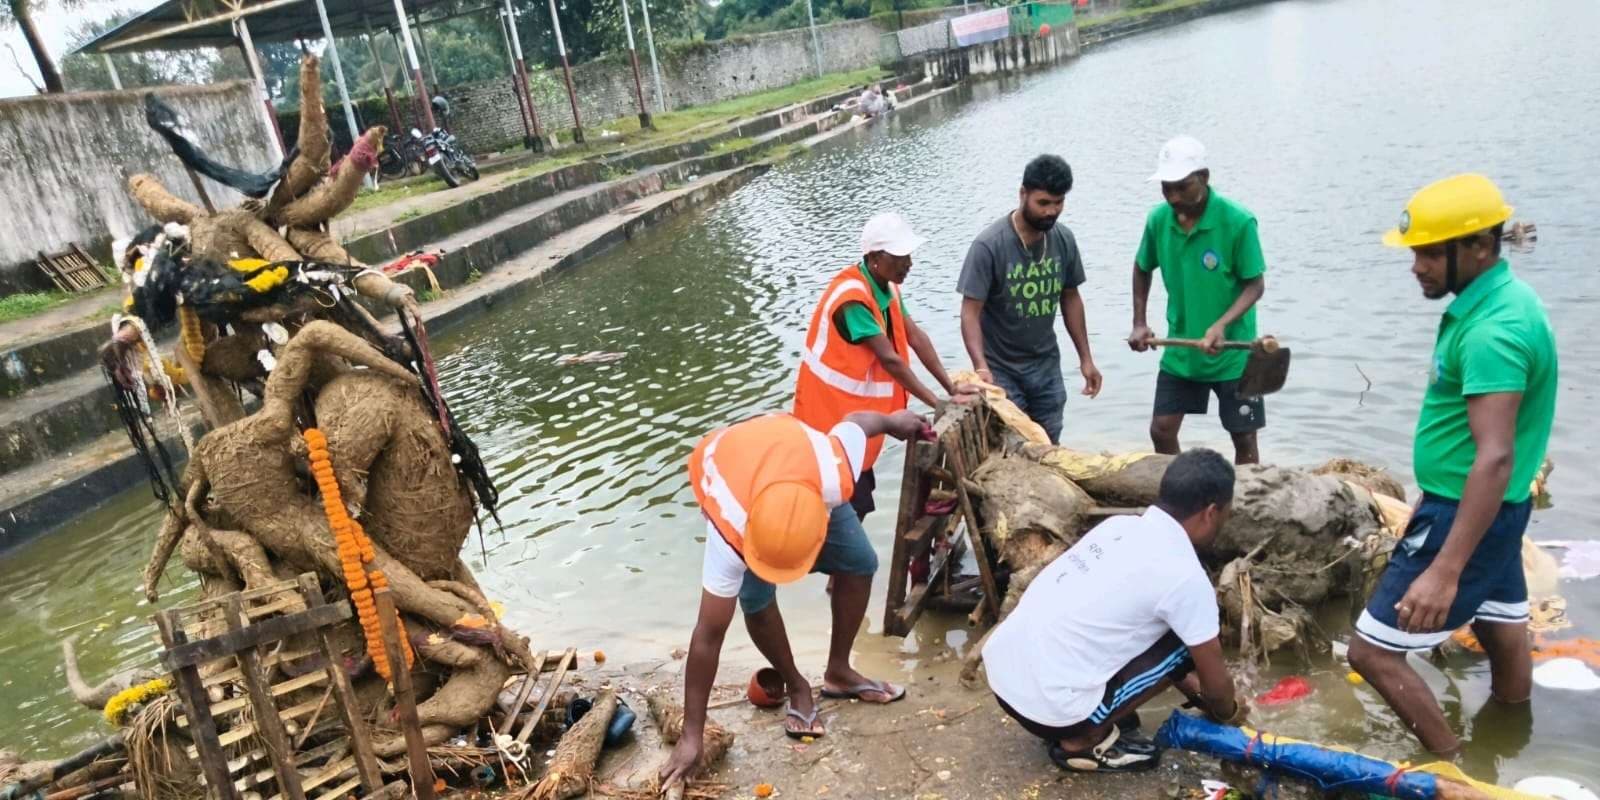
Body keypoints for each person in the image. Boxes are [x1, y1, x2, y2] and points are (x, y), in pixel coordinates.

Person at [1348, 174, 1557, 757]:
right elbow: (1481, 450)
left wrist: (1444, 567)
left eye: (1431, 253)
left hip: (1469, 511)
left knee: (1372, 652)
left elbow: (1493, 456)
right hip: (1493, 509)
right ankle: (1509, 739)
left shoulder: (1495, 329)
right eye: (1416, 252)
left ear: (1480, 248)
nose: (1417, 266)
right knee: (1500, 626)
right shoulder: (1507, 302)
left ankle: (1458, 771)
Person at [659, 409, 927, 786]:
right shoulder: (729, 522)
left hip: (797, 469)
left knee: (860, 562)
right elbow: (708, 634)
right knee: (755, 600)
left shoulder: (833, 474)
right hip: (732, 467)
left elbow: (860, 421)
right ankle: (796, 683)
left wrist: (895, 421)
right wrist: (691, 734)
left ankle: (839, 672)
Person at [982, 448, 1247, 773]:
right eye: (1225, 515)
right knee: (1185, 645)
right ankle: (1082, 742)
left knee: (1157, 627)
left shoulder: (1117, 527)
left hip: (1002, 678)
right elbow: (1215, 684)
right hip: (1050, 711)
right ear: (1210, 512)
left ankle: (1097, 709)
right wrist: (1229, 713)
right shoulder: (1185, 576)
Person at [795, 212, 976, 521]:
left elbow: (916, 338)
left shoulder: (886, 287)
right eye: (900, 257)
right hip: (830, 430)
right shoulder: (852, 301)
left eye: (909, 255)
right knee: (845, 518)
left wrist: (950, 387)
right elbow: (891, 360)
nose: (909, 264)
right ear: (876, 257)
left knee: (854, 513)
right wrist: (938, 403)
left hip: (858, 427)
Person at [1128, 136, 1267, 465]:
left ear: (1204, 177)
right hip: (1183, 350)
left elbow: (1255, 285)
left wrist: (1221, 325)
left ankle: (1245, 507)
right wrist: (1139, 321)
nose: (1174, 196)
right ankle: (1183, 499)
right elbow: (1141, 267)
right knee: (1161, 431)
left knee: (1244, 436)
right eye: (1166, 188)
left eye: (1182, 186)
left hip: (1234, 352)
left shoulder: (1238, 222)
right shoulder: (1158, 220)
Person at [958, 155, 1101, 443]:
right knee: (1016, 444)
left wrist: (1086, 359)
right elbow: (970, 312)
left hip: (1045, 365)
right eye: (1043, 203)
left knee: (1050, 442)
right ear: (1023, 194)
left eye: (1058, 203)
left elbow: (1071, 298)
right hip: (1002, 368)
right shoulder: (989, 246)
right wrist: (981, 366)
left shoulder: (1063, 239)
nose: (1051, 211)